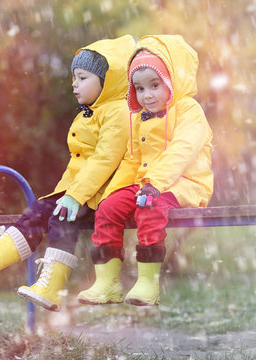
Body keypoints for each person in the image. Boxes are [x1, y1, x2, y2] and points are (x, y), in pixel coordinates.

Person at [0, 35, 135, 312]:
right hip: (80, 189)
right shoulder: (91, 112)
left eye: (83, 77)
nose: (74, 83)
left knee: (62, 217)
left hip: (103, 191)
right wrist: (68, 194)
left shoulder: (117, 113)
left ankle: (52, 287)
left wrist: (75, 197)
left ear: (107, 80)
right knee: (40, 209)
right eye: (73, 77)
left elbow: (105, 160)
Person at [76, 35, 214, 306]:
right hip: (147, 184)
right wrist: (112, 193)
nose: (146, 95)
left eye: (154, 85)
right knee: (109, 208)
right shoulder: (139, 118)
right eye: (139, 88)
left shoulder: (189, 111)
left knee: (148, 208)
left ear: (173, 81)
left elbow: (182, 151)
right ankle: (107, 282)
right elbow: (131, 161)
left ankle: (147, 282)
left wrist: (154, 184)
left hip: (184, 183)